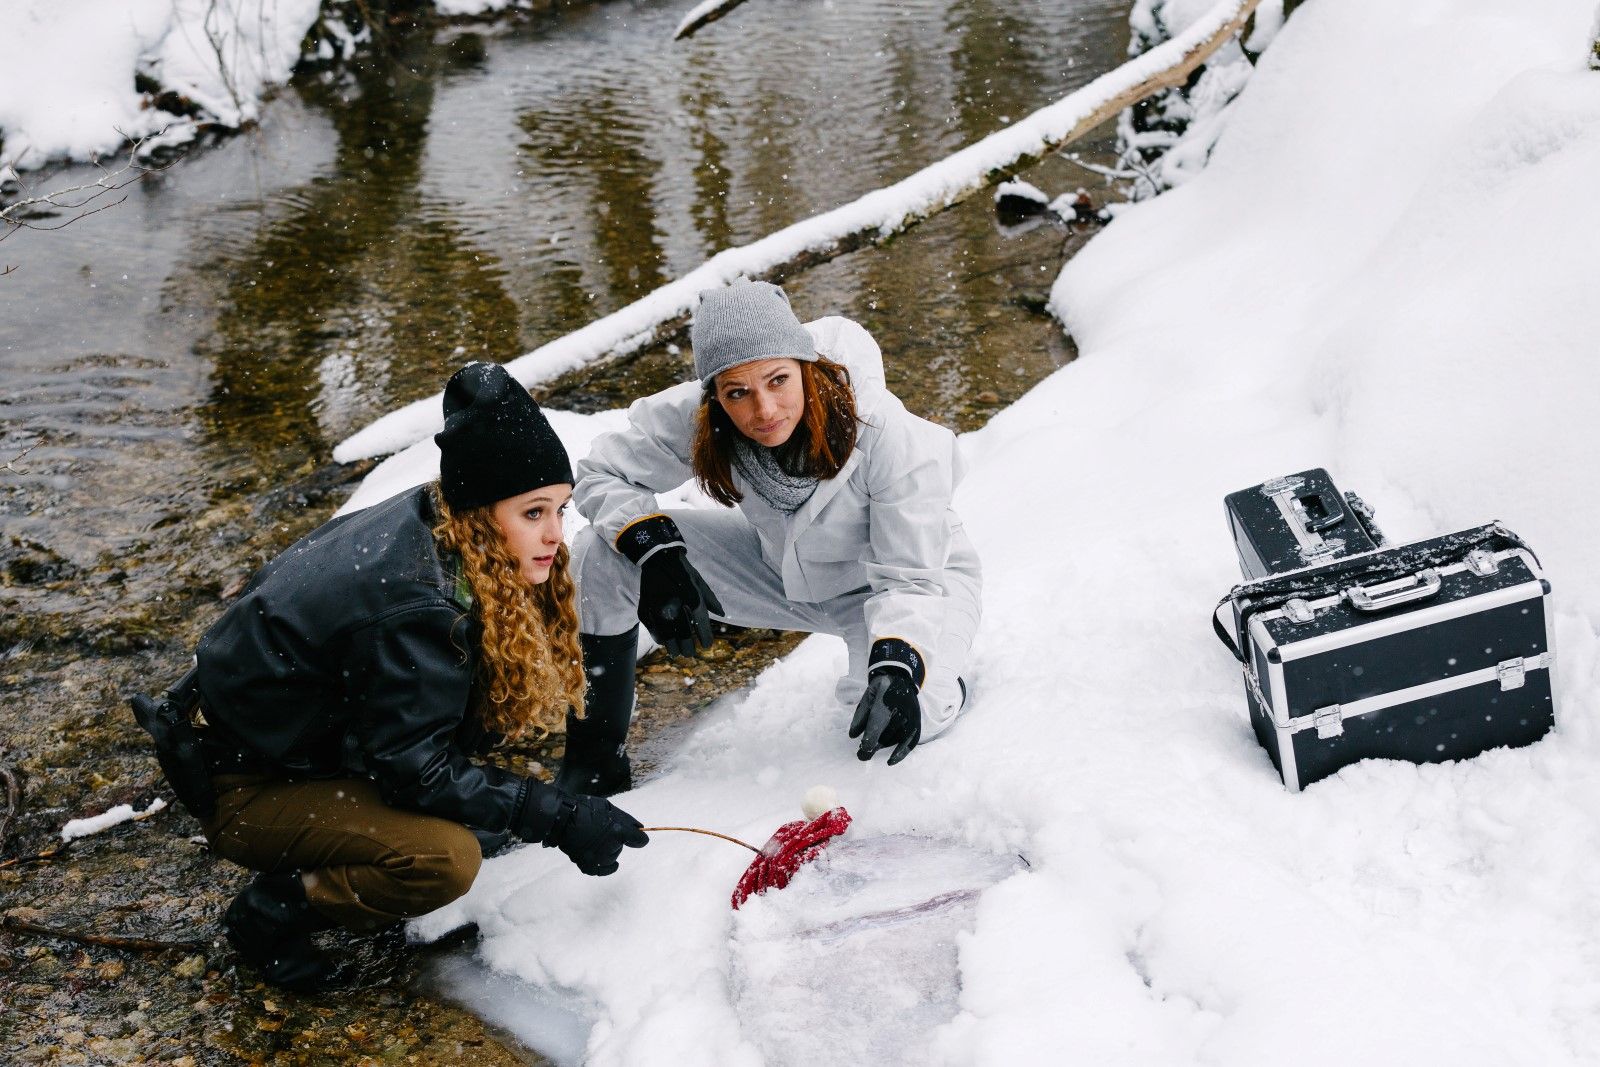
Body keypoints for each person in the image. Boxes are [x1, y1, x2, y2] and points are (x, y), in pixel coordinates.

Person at [191, 363, 649, 991]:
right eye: (534, 513)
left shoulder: (440, 526)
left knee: (482, 819)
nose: (553, 535)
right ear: (482, 513)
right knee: (443, 860)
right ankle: (270, 913)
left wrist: (511, 805)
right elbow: (416, 768)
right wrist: (557, 816)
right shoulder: (414, 603)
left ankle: (339, 855)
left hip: (298, 748)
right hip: (240, 785)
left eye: (561, 510)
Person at [557, 280, 982, 796]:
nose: (763, 410)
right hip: (782, 571)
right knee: (602, 550)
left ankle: (949, 676)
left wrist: (897, 658)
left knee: (906, 716)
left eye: (778, 380)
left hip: (899, 583)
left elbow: (909, 580)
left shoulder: (886, 432)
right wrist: (656, 550)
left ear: (804, 367)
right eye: (737, 392)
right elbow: (600, 473)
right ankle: (595, 761)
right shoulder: (703, 416)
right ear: (715, 394)